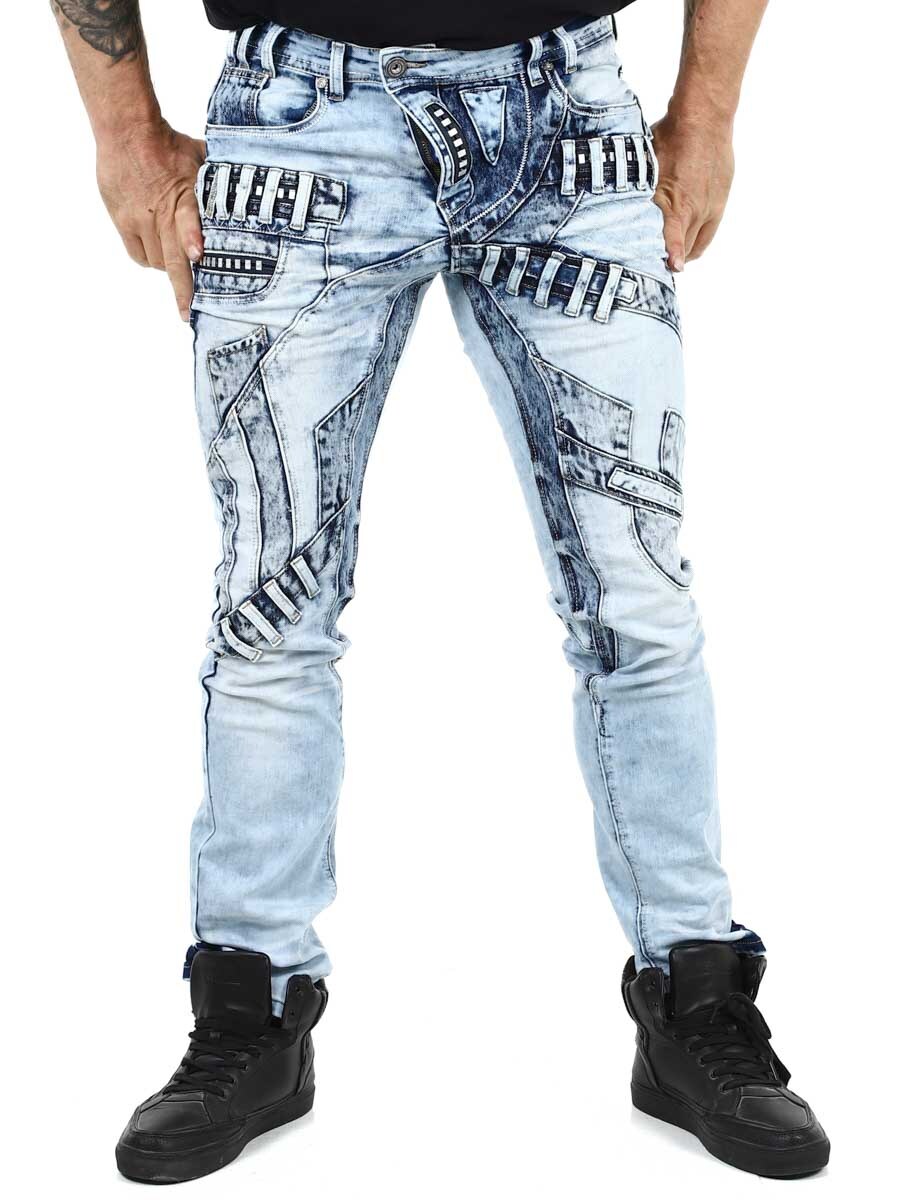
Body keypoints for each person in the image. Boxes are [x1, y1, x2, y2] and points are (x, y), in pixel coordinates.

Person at [53, 0, 830, 1184]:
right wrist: (121, 132)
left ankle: (695, 997)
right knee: (272, 611)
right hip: (300, 125)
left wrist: (709, 112)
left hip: (568, 120)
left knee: (638, 600)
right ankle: (250, 1010)